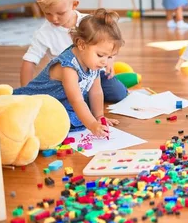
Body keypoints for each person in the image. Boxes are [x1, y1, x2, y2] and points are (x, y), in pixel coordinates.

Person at [14, 9, 124, 138]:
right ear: (82, 45)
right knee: (53, 124)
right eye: (101, 55)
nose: (105, 62)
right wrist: (93, 125)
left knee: (74, 116)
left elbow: (96, 91)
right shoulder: (68, 67)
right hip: (36, 102)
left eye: (110, 57)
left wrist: (99, 117)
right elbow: (76, 100)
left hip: (62, 103)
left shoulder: (93, 63)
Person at [20, 0, 127, 102]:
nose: (54, 19)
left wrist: (110, 59)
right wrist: (26, 94)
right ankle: (83, 100)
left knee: (118, 93)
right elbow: (29, 61)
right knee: (60, 102)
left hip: (94, 72)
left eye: (60, 13)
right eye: (47, 13)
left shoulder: (89, 22)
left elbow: (109, 41)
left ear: (74, 5)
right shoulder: (43, 33)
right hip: (65, 81)